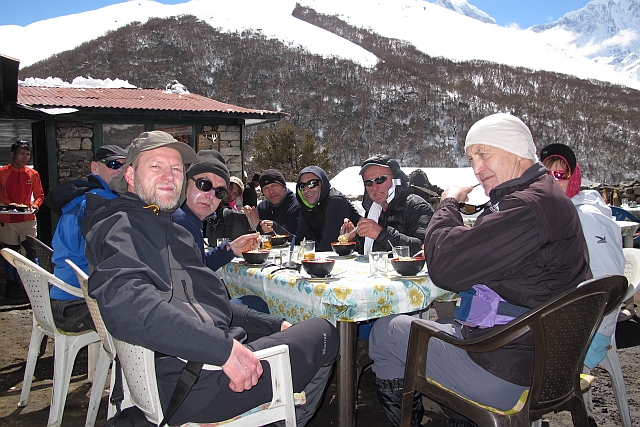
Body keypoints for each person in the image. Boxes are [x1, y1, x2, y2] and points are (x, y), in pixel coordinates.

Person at [83, 131, 338, 426]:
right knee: (325, 332)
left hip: (194, 362)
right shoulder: (120, 226)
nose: (169, 176)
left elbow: (203, 301)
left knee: (275, 323)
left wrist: (271, 324)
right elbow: (129, 306)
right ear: (130, 174)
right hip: (197, 381)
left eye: (176, 169)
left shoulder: (164, 228)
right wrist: (224, 350)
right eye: (156, 166)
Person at [368, 113, 591, 427]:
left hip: (508, 367)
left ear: (517, 151)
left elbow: (445, 269)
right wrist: (462, 248)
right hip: (544, 356)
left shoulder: (528, 207)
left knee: (385, 332)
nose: (476, 167)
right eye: (471, 158)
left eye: (485, 154)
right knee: (447, 317)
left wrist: (448, 204)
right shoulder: (546, 198)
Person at [540, 143, 625, 370]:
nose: (552, 180)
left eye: (560, 174)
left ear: (574, 177)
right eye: (545, 174)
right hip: (562, 316)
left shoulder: (586, 217)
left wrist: (598, 334)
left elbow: (610, 283)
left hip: (587, 332)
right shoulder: (558, 212)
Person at [173, 149, 268, 313]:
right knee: (259, 304)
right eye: (204, 184)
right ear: (185, 182)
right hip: (194, 315)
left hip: (194, 309)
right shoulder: (181, 222)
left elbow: (200, 264)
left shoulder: (190, 219)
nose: (211, 195)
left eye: (220, 192)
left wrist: (231, 248)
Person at [46, 145, 126, 331]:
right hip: (79, 304)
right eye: (114, 164)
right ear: (94, 167)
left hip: (58, 298)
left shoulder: (79, 196)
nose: (120, 171)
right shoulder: (102, 203)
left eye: (125, 166)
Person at [340, 154, 434, 256]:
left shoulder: (416, 206)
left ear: (396, 180)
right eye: (368, 183)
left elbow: (427, 248)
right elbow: (369, 250)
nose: (375, 187)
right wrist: (352, 238)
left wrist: (381, 234)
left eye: (380, 180)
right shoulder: (374, 210)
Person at [0, 140, 44, 298]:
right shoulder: (3, 172)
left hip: (27, 219)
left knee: (31, 254)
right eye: (21, 154)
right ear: (13, 154)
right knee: (10, 255)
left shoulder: (33, 174)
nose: (25, 157)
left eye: (27, 154)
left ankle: (33, 287)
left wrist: (36, 205)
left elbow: (39, 196)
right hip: (8, 220)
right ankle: (12, 287)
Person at [295, 165, 361, 252]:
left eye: (312, 184)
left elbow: (329, 246)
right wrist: (276, 229)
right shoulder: (307, 206)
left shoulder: (335, 202)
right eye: (302, 186)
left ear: (322, 183)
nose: (307, 190)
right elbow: (301, 239)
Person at [242, 168, 300, 237]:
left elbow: (298, 241)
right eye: (266, 188)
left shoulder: (297, 206)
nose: (271, 192)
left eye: (274, 186)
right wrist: (247, 219)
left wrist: (261, 225)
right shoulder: (262, 207)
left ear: (284, 187)